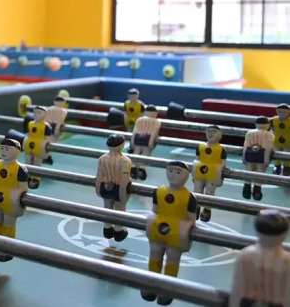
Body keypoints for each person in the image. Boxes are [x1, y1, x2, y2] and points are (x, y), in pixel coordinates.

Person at [142, 161, 197, 305]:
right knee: (154, 255)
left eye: (177, 172)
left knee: (172, 259)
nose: (172, 175)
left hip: (176, 234)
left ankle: (167, 289)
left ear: (185, 176)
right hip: (158, 230)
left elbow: (191, 220)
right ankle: (152, 284)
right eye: (170, 171)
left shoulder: (189, 197)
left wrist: (185, 231)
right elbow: (155, 211)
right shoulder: (159, 192)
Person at [229, 209, 290, 307]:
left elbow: (237, 294)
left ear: (257, 231)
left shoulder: (244, 256)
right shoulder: (287, 261)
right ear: (285, 234)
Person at [0, 131, 28, 262]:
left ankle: (7, 249)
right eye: (2, 148)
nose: (4, 151)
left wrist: (16, 196)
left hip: (10, 200)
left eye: (7, 149)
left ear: (16, 152)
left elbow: (23, 188)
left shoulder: (20, 169)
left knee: (8, 223)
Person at [95, 134, 132, 241]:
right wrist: (123, 193)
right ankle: (119, 231)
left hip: (104, 187)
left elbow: (99, 175)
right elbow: (124, 179)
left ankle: (107, 228)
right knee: (120, 209)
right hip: (118, 188)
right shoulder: (125, 161)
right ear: (122, 145)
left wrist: (98, 190)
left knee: (107, 208)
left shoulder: (102, 158)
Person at [191, 125, 227, 222]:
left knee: (209, 192)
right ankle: (196, 209)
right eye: (209, 131)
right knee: (197, 191)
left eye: (213, 132)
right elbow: (197, 159)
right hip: (199, 172)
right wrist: (194, 173)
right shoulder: (200, 146)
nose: (210, 134)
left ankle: (207, 210)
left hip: (213, 173)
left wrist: (220, 175)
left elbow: (223, 163)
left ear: (219, 135)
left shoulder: (221, 149)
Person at [242, 116, 275, 201]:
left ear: (256, 124)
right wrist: (266, 160)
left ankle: (246, 189)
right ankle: (257, 190)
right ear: (268, 125)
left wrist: (244, 157)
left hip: (249, 153)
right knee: (260, 172)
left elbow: (245, 146)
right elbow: (268, 148)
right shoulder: (270, 135)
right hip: (262, 154)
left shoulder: (249, 133)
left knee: (248, 171)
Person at [23, 106, 52, 188]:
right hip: (29, 145)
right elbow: (28, 134)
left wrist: (48, 154)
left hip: (39, 147)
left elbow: (48, 140)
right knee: (27, 160)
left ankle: (36, 179)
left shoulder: (46, 126)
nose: (36, 114)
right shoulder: (30, 124)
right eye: (35, 112)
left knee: (37, 162)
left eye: (39, 113)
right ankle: (27, 177)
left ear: (44, 115)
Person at [130, 105, 161, 181]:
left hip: (138, 136)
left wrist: (132, 142)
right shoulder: (156, 122)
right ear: (155, 113)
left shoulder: (139, 119)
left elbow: (134, 131)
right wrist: (151, 142)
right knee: (146, 153)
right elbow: (154, 132)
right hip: (148, 137)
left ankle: (133, 167)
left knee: (136, 152)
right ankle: (142, 168)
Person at [270, 103, 290, 176]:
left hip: (288, 140)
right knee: (276, 153)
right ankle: (277, 166)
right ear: (277, 111)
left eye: (285, 112)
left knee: (287, 154)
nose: (282, 113)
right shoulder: (273, 120)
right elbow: (272, 129)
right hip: (276, 139)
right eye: (280, 111)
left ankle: (287, 167)